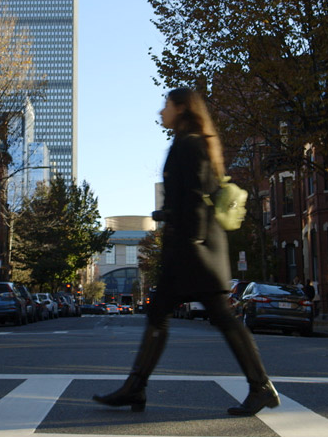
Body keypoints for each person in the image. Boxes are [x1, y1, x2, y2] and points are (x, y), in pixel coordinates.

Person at [93, 87, 279, 416]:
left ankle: (260, 386)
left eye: (166, 105)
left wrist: (189, 241)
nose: (161, 110)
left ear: (181, 109)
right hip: (192, 247)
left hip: (193, 249)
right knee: (164, 315)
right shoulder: (191, 142)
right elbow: (190, 196)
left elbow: (194, 197)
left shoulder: (190, 143)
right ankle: (136, 387)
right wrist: (166, 216)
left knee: (219, 317)